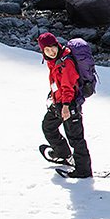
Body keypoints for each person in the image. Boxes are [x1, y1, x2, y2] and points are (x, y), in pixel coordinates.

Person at [39, 32, 92, 178]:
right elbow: (57, 83)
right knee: (48, 127)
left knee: (75, 138)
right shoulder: (53, 60)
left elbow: (68, 86)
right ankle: (63, 154)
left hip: (69, 105)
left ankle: (83, 171)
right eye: (47, 50)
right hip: (58, 103)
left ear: (57, 44)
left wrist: (66, 106)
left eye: (52, 47)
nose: (51, 51)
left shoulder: (65, 62)